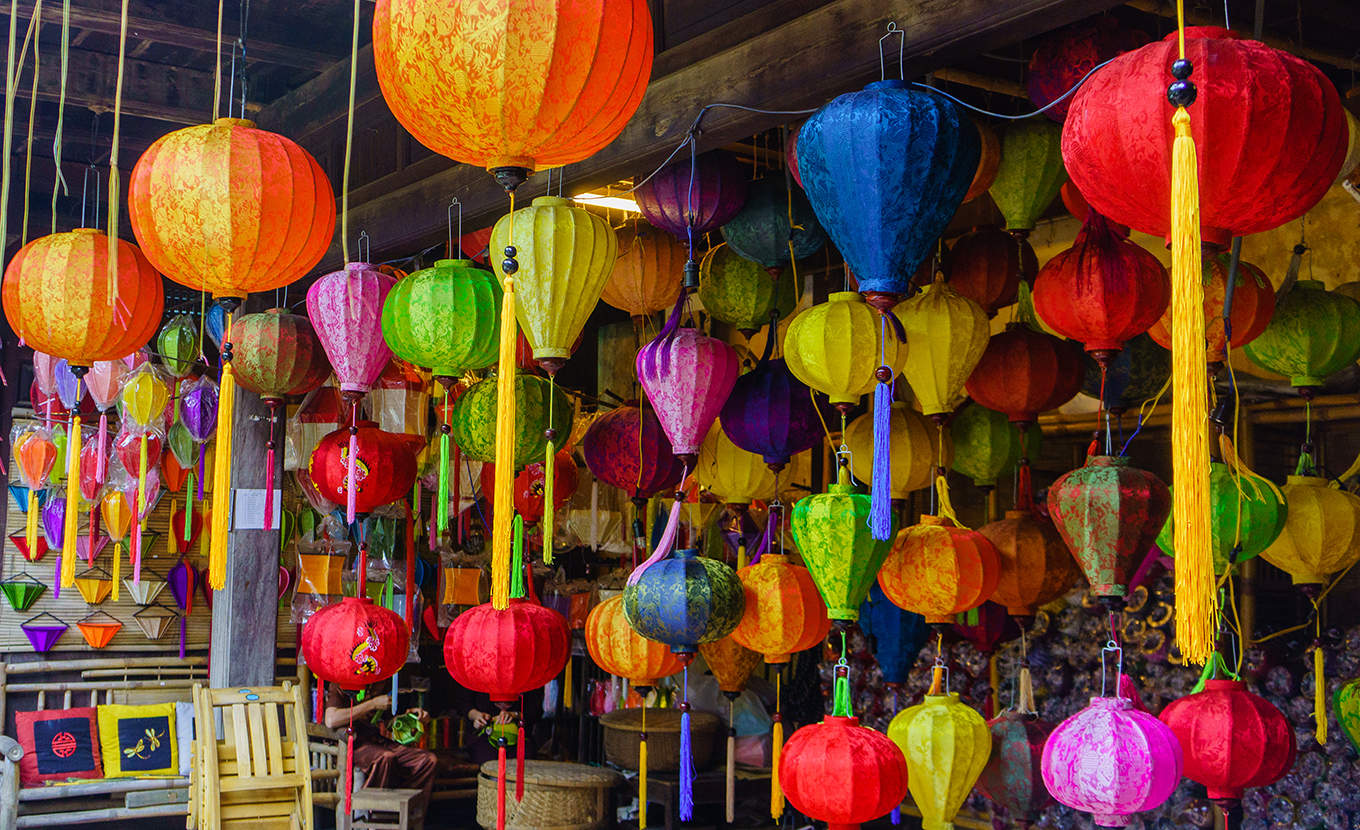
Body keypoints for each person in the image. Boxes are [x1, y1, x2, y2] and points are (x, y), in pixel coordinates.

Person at [324, 685, 437, 826]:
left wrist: (409, 717)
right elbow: (331, 720)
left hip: (376, 741)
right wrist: (372, 704)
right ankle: (372, 820)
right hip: (352, 743)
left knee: (427, 760)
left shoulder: (380, 679)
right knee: (385, 757)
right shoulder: (340, 681)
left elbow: (387, 721)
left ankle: (401, 817)